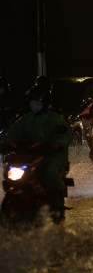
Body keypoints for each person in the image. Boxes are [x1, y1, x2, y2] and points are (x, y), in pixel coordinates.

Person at [3, 86, 72, 222]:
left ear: (45, 104)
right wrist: (6, 143)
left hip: (51, 156)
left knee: (50, 172)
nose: (35, 106)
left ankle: (55, 202)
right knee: (11, 166)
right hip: (28, 156)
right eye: (32, 103)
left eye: (38, 103)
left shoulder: (54, 119)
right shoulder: (25, 119)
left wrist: (57, 144)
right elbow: (12, 133)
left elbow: (64, 135)